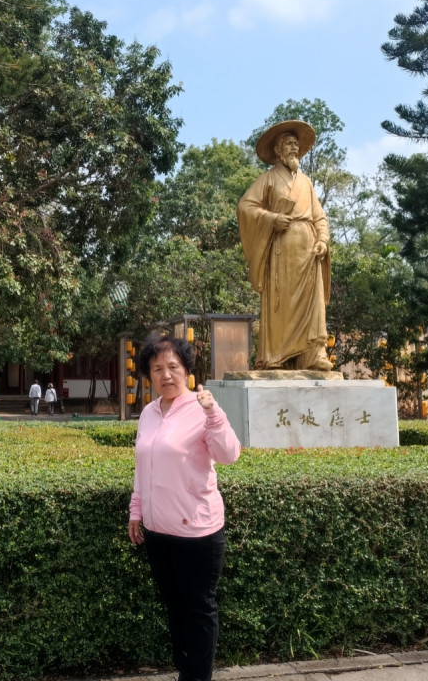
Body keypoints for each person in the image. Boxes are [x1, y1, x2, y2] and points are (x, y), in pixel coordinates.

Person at [128, 335, 241, 681]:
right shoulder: (149, 413)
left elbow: (229, 454)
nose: (166, 375)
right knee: (175, 607)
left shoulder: (202, 408)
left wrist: (213, 413)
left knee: (198, 609)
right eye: (157, 369)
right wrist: (136, 510)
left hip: (197, 532)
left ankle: (196, 677)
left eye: (173, 367)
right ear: (149, 375)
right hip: (158, 532)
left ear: (187, 370)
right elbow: (143, 466)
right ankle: (185, 669)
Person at [237, 119, 333, 371]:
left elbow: (319, 216)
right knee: (281, 305)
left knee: (313, 306)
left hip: (309, 253)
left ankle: (313, 355)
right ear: (278, 150)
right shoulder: (268, 179)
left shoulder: (307, 183)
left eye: (296, 144)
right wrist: (271, 218)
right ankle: (275, 356)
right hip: (281, 253)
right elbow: (245, 206)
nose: (294, 148)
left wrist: (322, 240)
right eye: (289, 144)